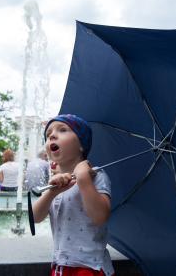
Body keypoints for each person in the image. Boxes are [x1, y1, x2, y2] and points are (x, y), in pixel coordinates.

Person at [33, 114, 114, 276]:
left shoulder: (96, 176)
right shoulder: (55, 182)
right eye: (48, 135)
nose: (52, 135)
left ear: (81, 145)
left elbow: (100, 216)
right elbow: (35, 217)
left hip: (90, 267)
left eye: (63, 130)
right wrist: (51, 193)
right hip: (61, 265)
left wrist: (83, 179)